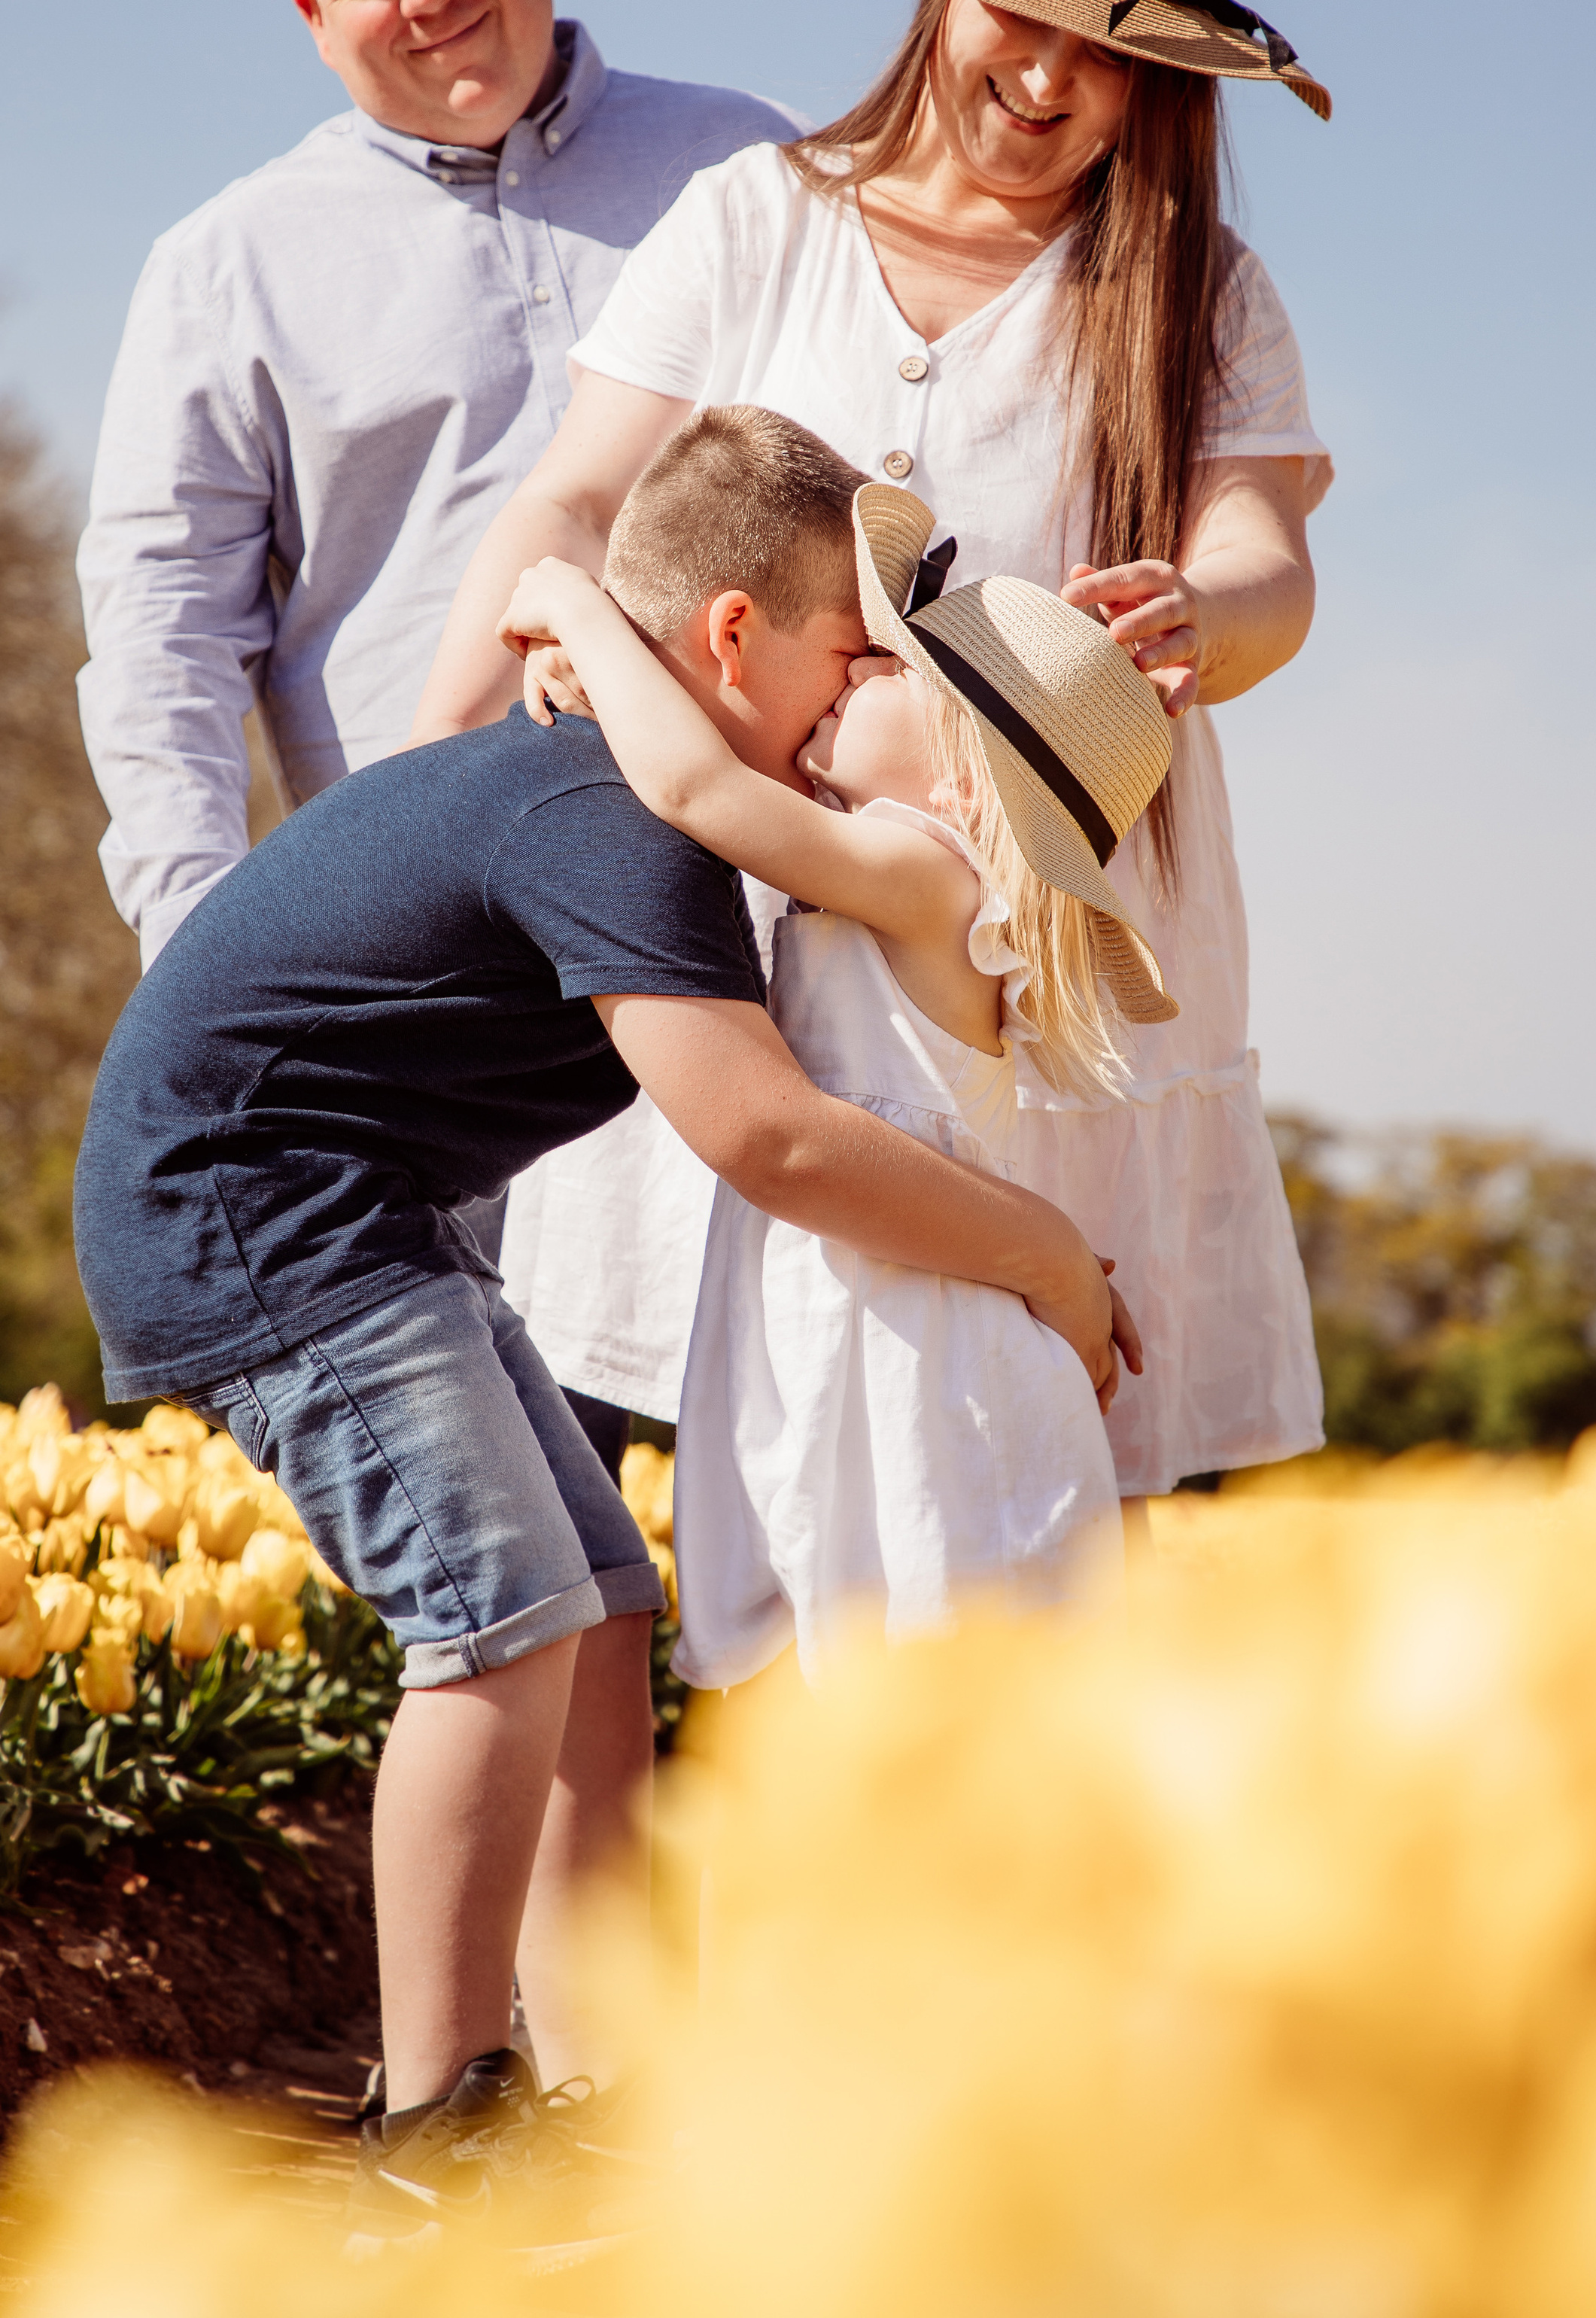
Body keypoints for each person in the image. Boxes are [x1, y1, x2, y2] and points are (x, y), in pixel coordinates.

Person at [71, 409, 1138, 2230]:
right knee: (499, 1615)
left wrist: (570, 597)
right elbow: (765, 1132)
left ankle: (594, 2084)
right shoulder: (609, 815)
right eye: (848, 649)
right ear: (731, 638)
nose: (860, 683)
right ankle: (434, 2118)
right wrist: (1043, 1257)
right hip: (267, 1215)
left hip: (353, 1211)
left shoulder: (634, 789)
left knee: (596, 1606)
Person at [412, 0, 1333, 1500]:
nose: (1051, 78)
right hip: (715, 925)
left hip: (1023, 958)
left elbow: (1261, 554)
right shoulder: (753, 219)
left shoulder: (1199, 292)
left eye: (1109, 49)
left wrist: (1201, 607)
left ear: (1168, 82)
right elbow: (570, 503)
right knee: (694, 1512)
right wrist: (416, 790)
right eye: (1021, 15)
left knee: (1034, 1485)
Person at [73, 0, 795, 1471]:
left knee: (807, 1484)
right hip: (434, 997)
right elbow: (164, 640)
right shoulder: (220, 271)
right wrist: (207, 947)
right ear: (312, 15)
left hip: (773, 929)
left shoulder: (758, 167)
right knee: (545, 1579)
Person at [497, 476, 1169, 1684]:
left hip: (916, 1343)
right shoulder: (884, 867)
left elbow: (698, 790)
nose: (856, 666)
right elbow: (698, 762)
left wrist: (578, 608)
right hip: (854, 1300)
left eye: (895, 669)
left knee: (909, 1673)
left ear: (969, 784)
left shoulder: (935, 875)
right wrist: (611, 681)